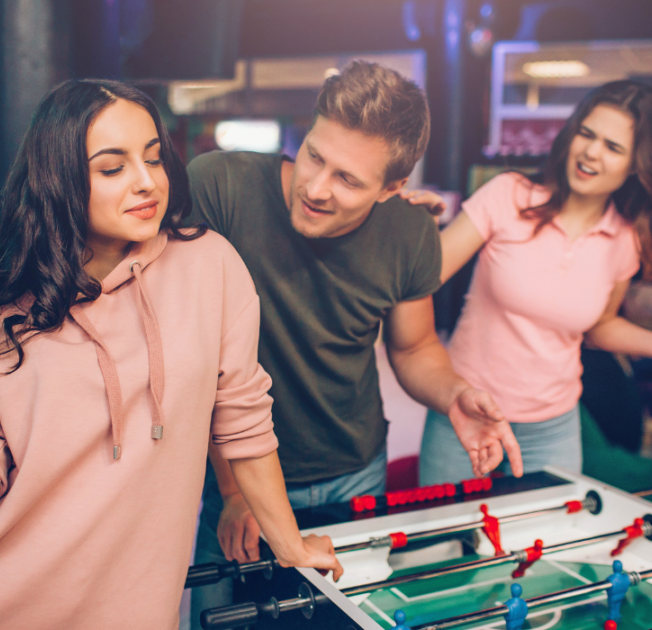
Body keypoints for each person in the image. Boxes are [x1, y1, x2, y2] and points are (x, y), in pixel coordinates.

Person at [0, 79, 340, 630]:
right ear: (61, 181)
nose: (147, 182)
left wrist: (288, 545)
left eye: (154, 158)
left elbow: (243, 421)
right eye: (112, 167)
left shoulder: (209, 265)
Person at [186, 60, 522, 628]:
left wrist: (455, 395)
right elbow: (194, 357)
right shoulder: (219, 186)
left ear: (394, 188)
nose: (316, 189)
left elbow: (414, 350)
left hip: (354, 468)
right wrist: (234, 488)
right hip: (238, 475)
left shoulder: (409, 232)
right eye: (315, 156)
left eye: (348, 179)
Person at [418, 80, 652, 484]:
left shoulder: (625, 238)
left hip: (552, 429)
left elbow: (600, 325)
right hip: (464, 412)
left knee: (543, 546)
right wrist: (411, 229)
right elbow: (423, 274)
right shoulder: (508, 196)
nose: (591, 152)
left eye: (613, 147)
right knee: (445, 545)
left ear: (635, 164)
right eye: (587, 134)